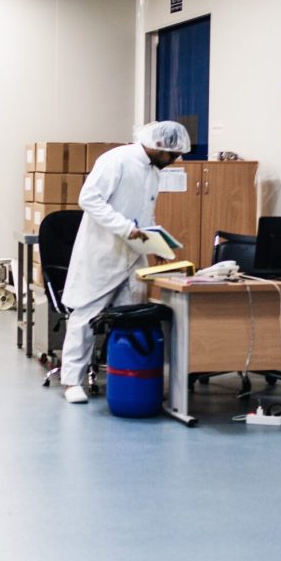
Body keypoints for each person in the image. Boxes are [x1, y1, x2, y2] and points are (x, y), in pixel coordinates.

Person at [59, 121, 191, 404]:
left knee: (132, 316)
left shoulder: (153, 172)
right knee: (86, 315)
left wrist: (156, 242)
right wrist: (124, 227)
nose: (174, 161)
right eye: (172, 155)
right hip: (101, 254)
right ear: (158, 148)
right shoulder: (117, 160)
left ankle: (127, 373)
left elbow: (145, 214)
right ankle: (72, 381)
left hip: (133, 255)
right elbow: (89, 199)